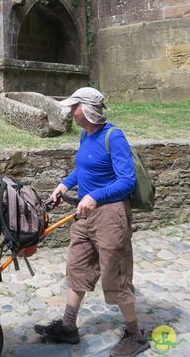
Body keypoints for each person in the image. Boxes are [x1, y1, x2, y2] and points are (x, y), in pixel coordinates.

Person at [34, 87, 150, 357]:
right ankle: (68, 326)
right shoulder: (85, 136)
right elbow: (83, 168)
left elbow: (127, 181)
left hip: (111, 216)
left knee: (115, 276)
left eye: (74, 106)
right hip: (85, 215)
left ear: (86, 110)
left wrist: (95, 197)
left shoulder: (114, 136)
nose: (70, 111)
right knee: (77, 268)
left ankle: (135, 334)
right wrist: (64, 185)